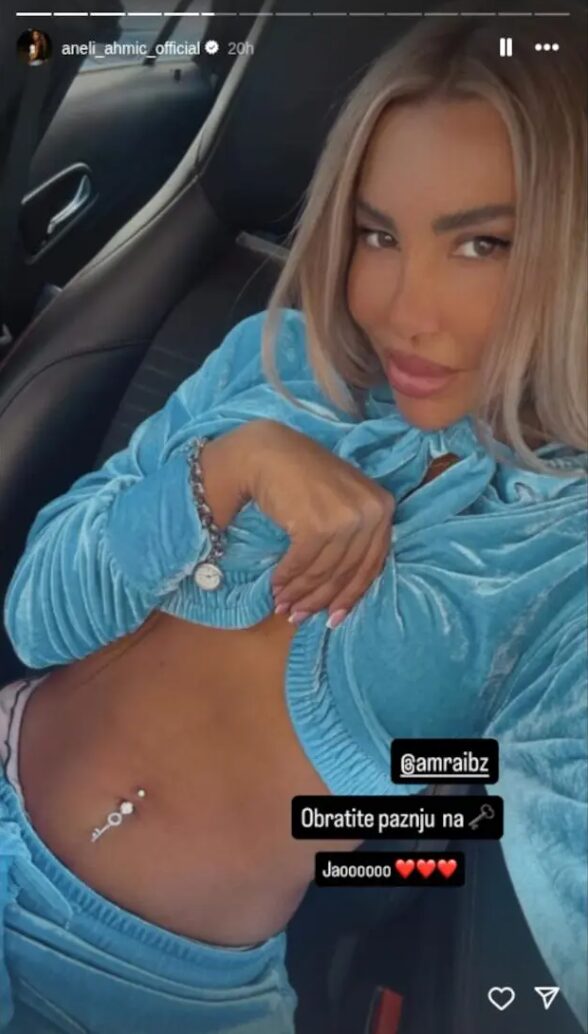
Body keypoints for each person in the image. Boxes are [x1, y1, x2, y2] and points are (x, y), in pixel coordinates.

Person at [1, 0, 586, 1030]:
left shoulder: (560, 556)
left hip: (161, 993)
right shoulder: (274, 362)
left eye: (482, 244)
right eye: (378, 233)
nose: (402, 307)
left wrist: (427, 784)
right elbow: (38, 617)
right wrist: (230, 467)